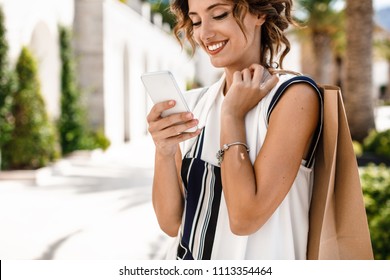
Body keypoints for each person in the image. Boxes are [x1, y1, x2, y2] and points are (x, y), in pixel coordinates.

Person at [146, 0, 322, 260]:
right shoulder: (194, 104)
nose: (204, 33)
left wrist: (231, 115)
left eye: (219, 15)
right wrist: (164, 149)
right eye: (196, 21)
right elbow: (171, 223)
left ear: (260, 13)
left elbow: (244, 218)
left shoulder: (293, 97)